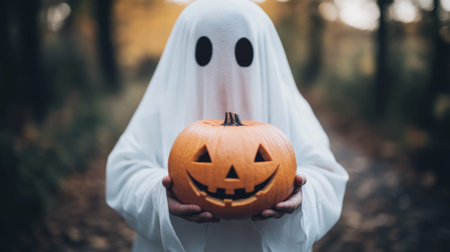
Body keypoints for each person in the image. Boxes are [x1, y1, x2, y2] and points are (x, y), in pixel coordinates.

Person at [106, 0, 349, 251]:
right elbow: (124, 171)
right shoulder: (160, 107)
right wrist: (157, 195)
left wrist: (304, 196)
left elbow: (326, 174)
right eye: (204, 54)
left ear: (264, 54)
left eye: (243, 54)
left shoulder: (287, 106)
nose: (224, 72)